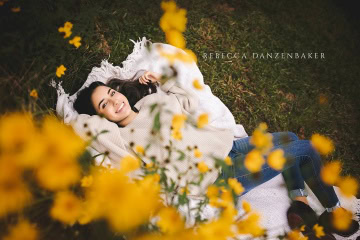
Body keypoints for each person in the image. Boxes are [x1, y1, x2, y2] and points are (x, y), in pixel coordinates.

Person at [73, 70, 358, 239]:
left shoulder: (153, 101)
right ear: (102, 117)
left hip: (227, 145)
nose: (114, 102)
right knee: (305, 149)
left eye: (112, 93)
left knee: (291, 139)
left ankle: (299, 204)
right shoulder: (121, 139)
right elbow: (83, 126)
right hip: (218, 175)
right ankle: (333, 213)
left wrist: (157, 79)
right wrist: (92, 113)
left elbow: (189, 99)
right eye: (104, 105)